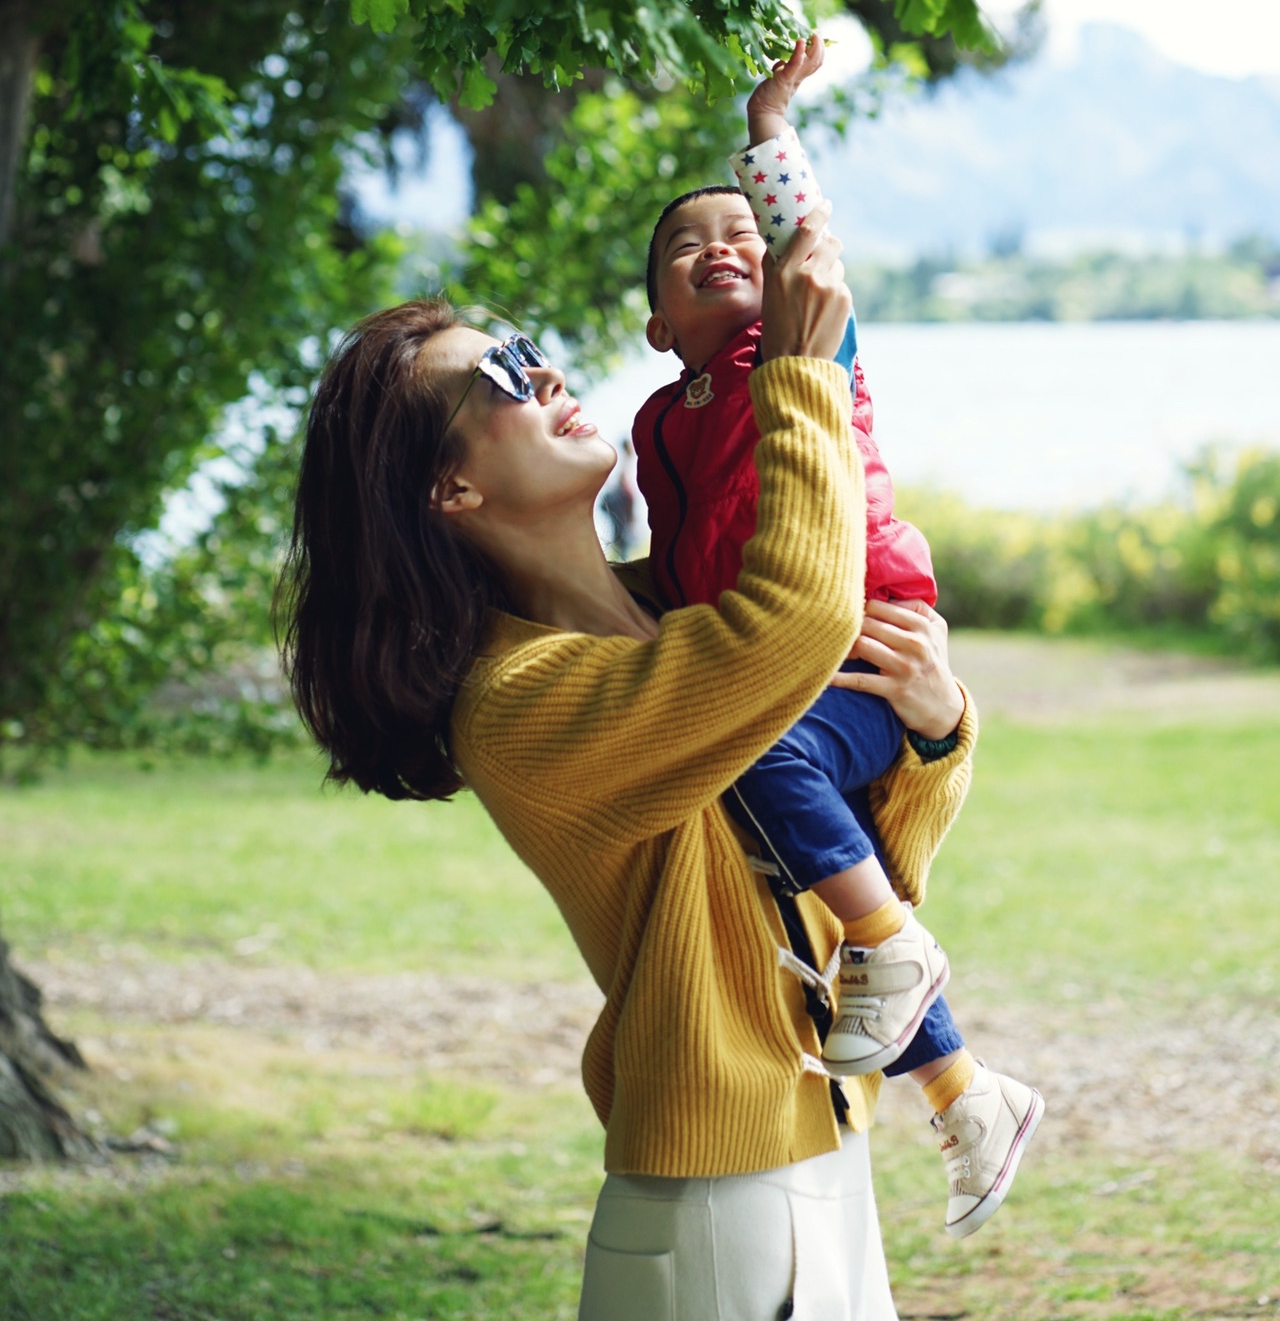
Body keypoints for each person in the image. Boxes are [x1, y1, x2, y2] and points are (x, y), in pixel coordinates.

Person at [279, 216, 976, 1319]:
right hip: (716, 1209)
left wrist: (931, 735)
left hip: (818, 1160)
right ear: (449, 491)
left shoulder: (675, 610)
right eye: (499, 377)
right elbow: (798, 618)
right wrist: (797, 376)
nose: (541, 369)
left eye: (527, 350)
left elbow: (858, 870)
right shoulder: (519, 702)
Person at [633, 35, 1043, 1239]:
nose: (718, 250)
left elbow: (805, 240)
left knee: (760, 768)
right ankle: (967, 1096)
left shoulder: (800, 350)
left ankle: (894, 945)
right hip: (782, 660)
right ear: (655, 323)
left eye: (739, 241)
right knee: (818, 880)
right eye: (682, 250)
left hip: (866, 636)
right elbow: (672, 564)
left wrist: (767, 124)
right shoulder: (661, 419)